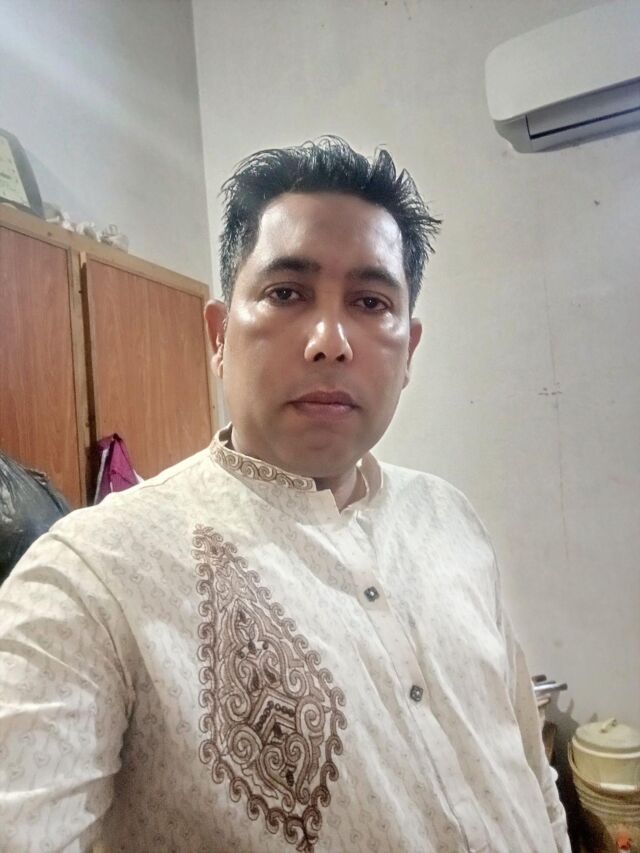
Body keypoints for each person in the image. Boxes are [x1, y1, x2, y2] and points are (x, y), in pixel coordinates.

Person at [0, 137, 570, 853]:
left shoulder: (450, 519)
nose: (330, 340)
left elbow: (530, 769)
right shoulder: (91, 579)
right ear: (218, 336)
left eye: (370, 302)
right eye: (287, 293)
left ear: (409, 350)